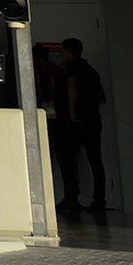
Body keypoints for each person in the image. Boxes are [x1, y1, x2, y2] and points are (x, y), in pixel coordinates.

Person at [49, 38, 110, 219]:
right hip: (93, 119)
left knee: (65, 155)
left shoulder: (72, 69)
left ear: (67, 51)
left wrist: (73, 112)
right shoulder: (90, 69)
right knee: (95, 159)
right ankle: (99, 199)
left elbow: (72, 89)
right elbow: (100, 95)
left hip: (78, 121)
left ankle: (71, 196)